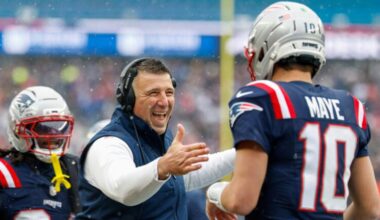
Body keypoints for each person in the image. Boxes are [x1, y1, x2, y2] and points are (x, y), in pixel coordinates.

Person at [206, 1, 380, 220]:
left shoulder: (263, 97)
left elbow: (242, 199)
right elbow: (370, 208)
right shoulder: (350, 107)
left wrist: (216, 193)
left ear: (268, 46)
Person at [76, 58, 236, 219]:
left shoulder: (159, 138)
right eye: (153, 93)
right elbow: (124, 189)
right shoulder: (108, 143)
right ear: (129, 99)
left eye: (169, 93)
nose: (164, 102)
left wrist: (246, 152)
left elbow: (184, 177)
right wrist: (163, 167)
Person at [0, 86, 81, 219]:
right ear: (18, 130)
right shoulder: (5, 174)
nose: (53, 135)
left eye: (59, 126)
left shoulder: (75, 170)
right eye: (43, 128)